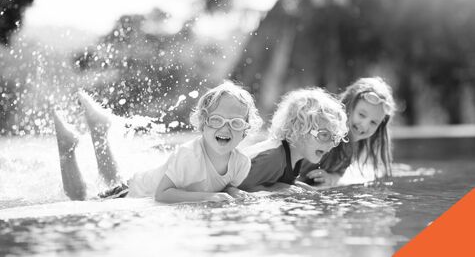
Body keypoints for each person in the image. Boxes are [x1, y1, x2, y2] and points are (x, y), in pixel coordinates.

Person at [54, 81, 263, 203]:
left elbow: (225, 187)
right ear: (203, 124)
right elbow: (162, 195)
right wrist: (208, 197)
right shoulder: (190, 156)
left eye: (235, 123)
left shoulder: (241, 164)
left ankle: (100, 131)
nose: (225, 128)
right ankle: (67, 149)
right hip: (136, 190)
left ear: (245, 130)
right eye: (217, 120)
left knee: (111, 179)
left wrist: (236, 193)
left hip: (141, 183)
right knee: (83, 202)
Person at [236, 87, 348, 192]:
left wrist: (300, 187)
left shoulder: (295, 156)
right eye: (324, 135)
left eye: (334, 138)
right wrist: (278, 188)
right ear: (299, 130)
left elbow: (279, 182)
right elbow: (237, 189)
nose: (331, 144)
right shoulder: (272, 158)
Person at [298, 76, 397, 187]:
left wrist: (330, 178)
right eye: (361, 115)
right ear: (348, 105)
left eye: (373, 122)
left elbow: (339, 173)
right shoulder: (326, 128)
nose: (364, 125)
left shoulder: (354, 145)